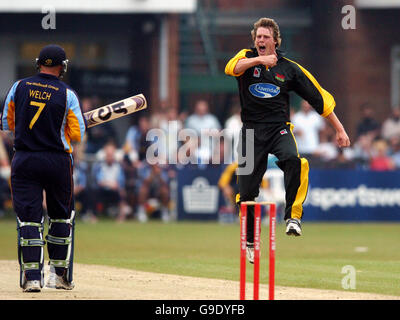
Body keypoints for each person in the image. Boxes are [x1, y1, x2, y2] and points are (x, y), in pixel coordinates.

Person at [225, 18, 350, 263]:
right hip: (251, 132)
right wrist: (260, 60)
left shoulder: (289, 68)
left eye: (265, 37)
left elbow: (319, 99)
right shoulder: (246, 58)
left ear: (275, 40)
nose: (260, 40)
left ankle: (293, 217)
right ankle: (250, 239)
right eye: (258, 37)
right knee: (247, 191)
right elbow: (232, 68)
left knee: (294, 159)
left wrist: (340, 129)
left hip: (279, 129)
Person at [1, 44, 86, 292]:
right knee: (60, 215)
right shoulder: (68, 93)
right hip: (58, 161)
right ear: (63, 67)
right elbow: (78, 134)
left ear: (38, 63)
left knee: (29, 218)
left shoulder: (19, 87)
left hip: (25, 158)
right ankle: (58, 275)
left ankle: (32, 277)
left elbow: (7, 122)